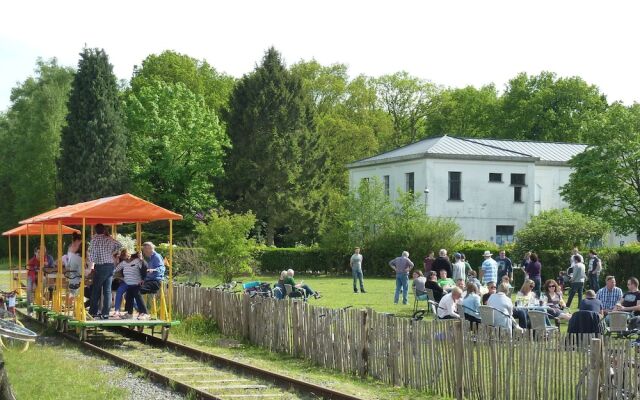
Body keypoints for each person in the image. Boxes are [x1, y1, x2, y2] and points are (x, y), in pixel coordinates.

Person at [88, 224, 122, 319]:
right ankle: (105, 313)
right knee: (107, 290)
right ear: (104, 230)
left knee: (96, 289)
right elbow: (120, 245)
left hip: (101, 266)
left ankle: (93, 311)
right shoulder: (109, 238)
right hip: (110, 265)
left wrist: (90, 266)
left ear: (95, 230)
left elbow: (92, 255)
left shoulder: (94, 240)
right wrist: (112, 252)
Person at [115, 252, 150, 320]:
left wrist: (143, 279)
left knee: (137, 296)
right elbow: (116, 269)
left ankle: (145, 313)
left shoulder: (137, 261)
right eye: (123, 258)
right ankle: (129, 313)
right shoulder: (123, 263)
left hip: (137, 283)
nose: (126, 259)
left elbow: (144, 268)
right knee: (128, 297)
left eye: (126, 257)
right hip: (128, 284)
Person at [64, 233, 84, 307]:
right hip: (74, 269)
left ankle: (69, 304)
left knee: (71, 287)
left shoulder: (71, 246)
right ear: (78, 240)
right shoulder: (75, 247)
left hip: (71, 268)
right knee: (75, 287)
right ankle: (72, 304)